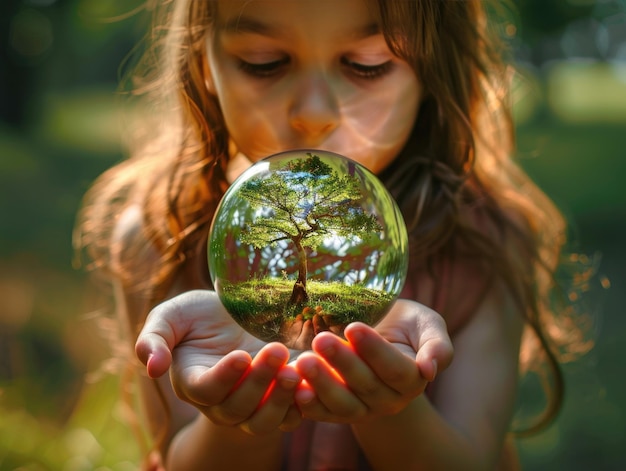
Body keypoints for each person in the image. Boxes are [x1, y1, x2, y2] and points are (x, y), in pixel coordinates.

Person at [75, 0, 589, 469]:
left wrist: (388, 408)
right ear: (203, 63)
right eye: (263, 62)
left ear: (434, 66)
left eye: (368, 64)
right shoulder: (158, 238)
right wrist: (236, 420)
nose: (314, 113)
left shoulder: (485, 248)